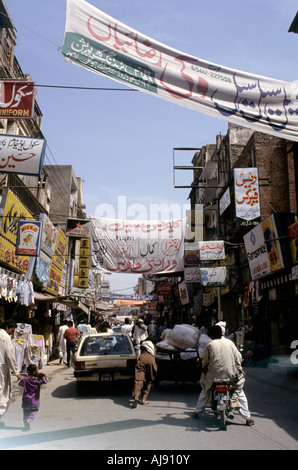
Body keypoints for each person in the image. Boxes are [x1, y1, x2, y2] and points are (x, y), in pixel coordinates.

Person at [193, 325, 254, 426]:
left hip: (214, 376)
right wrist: (240, 369)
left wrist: (203, 368)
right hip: (230, 374)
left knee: (205, 388)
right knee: (239, 390)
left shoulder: (209, 344)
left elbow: (206, 361)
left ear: (211, 335)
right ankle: (248, 417)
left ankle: (197, 411)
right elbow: (237, 357)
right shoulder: (230, 342)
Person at [0, 320, 22, 426]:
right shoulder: (5, 337)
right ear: (7, 327)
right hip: (2, 368)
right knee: (3, 392)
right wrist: (16, 372)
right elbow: (9, 355)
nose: (12, 332)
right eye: (12, 330)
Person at [18, 364, 49, 430]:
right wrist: (44, 375)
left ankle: (26, 425)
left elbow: (19, 383)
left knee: (25, 413)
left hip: (26, 400)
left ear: (27, 370)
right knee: (34, 411)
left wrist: (19, 378)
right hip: (34, 401)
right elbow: (46, 380)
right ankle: (29, 419)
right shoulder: (38, 381)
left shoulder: (25, 380)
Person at [131, 339, 157, 408]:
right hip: (151, 360)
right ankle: (144, 399)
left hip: (142, 358)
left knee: (138, 379)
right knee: (149, 379)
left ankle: (136, 396)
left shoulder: (142, 346)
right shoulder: (153, 345)